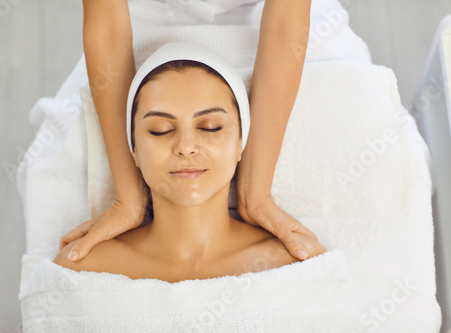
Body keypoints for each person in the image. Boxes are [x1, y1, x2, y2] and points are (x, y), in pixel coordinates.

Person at [61, 0, 314, 264]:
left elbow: (286, 27)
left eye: (210, 127)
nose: (186, 146)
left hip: (280, 40)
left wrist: (257, 193)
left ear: (242, 140)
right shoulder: (81, 267)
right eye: (161, 130)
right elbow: (108, 27)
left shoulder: (302, 264)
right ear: (133, 146)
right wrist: (128, 198)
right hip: (135, 39)